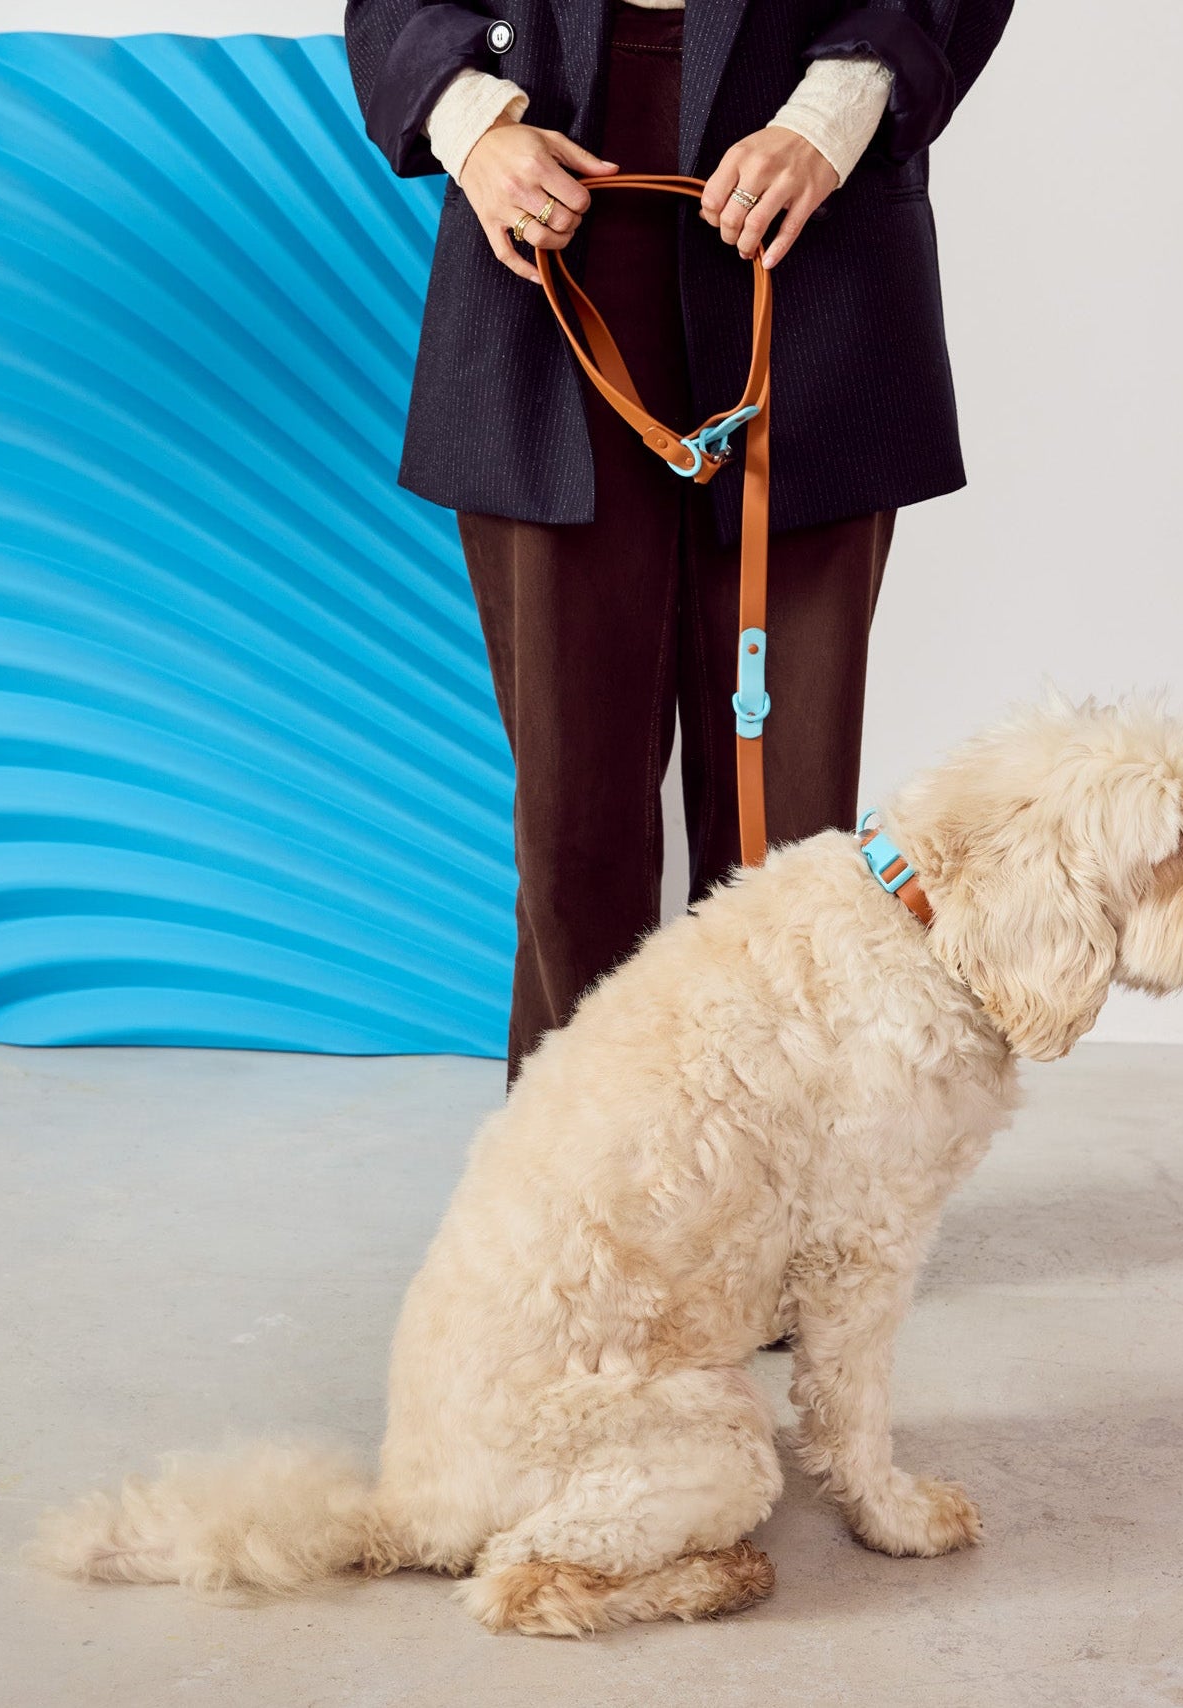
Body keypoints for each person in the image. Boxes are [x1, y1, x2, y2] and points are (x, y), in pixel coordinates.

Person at [344, 0, 1016, 1089]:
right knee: (574, 811)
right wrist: (471, 125)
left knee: (785, 817)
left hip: (807, 235)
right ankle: (579, 1177)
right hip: (545, 237)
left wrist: (835, 112)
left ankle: (782, 1175)